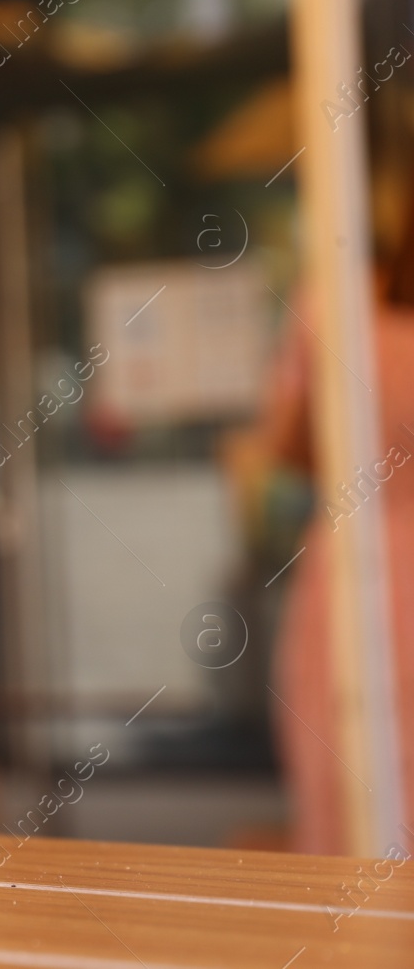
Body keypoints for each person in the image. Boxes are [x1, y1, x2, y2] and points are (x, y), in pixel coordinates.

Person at [255, 219, 414, 855]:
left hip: (356, 564)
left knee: (349, 800)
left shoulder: (334, 306)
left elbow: (288, 444)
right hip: (359, 563)